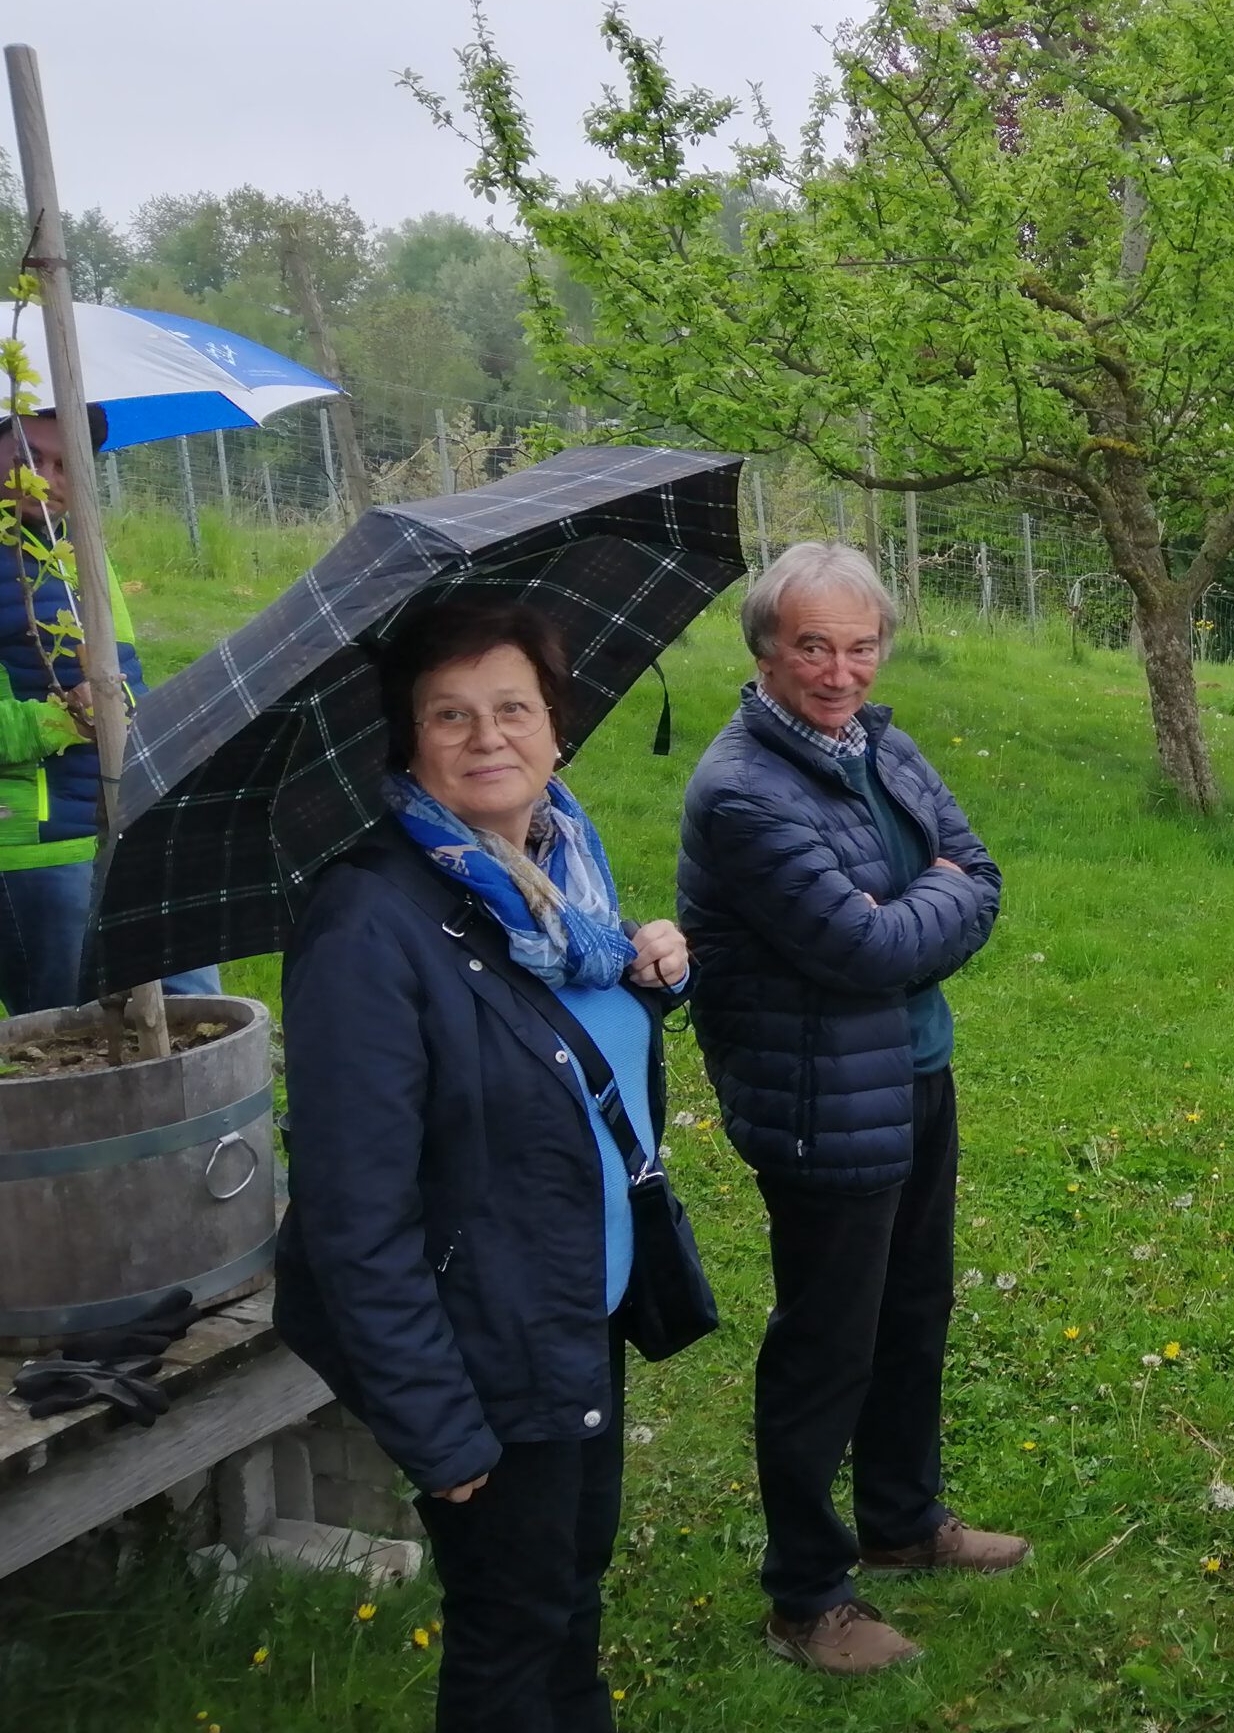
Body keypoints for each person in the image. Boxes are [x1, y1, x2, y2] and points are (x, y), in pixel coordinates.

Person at [273, 598, 691, 1733]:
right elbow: (352, 1217)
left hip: (570, 1311)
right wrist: (437, 1427)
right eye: (448, 716)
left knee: (569, 1598)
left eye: (513, 708)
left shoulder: (553, 885)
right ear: (407, 743)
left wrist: (646, 978)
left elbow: (548, 1050)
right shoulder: (370, 922)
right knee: (511, 1634)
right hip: (485, 1347)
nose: (486, 737)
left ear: (556, 727)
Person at [677, 542, 1018, 1677]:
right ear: (767, 650)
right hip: (821, 1096)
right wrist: (928, 902)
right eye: (812, 645)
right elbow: (860, 945)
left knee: (914, 1311)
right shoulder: (740, 791)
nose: (839, 670)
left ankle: (903, 1518)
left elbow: (983, 879)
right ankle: (806, 1594)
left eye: (859, 644)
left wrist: (917, 900)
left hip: (915, 1072)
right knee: (828, 1342)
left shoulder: (882, 745)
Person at [0, 408, 218, 1012]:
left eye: (67, 464)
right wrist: (61, 718)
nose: (47, 479)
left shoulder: (77, 555)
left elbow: (121, 681)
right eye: (28, 460)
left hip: (128, 813)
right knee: (73, 1043)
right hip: (36, 847)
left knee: (193, 1010)